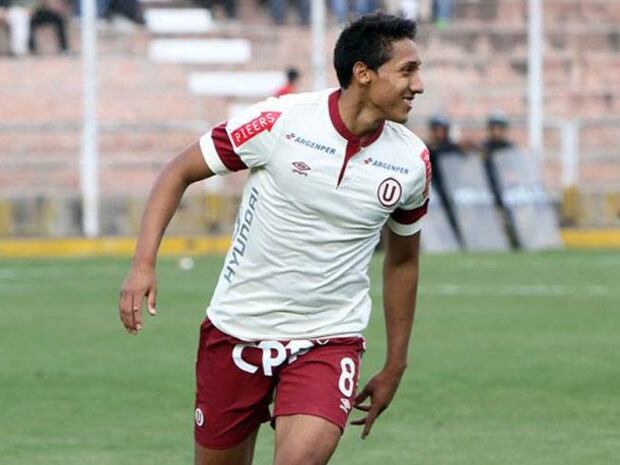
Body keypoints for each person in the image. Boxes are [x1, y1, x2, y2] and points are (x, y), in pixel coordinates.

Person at [119, 12, 429, 465]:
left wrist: (396, 362)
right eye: (407, 70)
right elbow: (178, 171)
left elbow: (403, 261)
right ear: (363, 73)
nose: (418, 85)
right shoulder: (280, 121)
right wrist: (143, 264)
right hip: (237, 330)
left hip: (328, 338)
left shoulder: (412, 162)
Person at [481, 111, 520, 248]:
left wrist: (512, 178)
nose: (496, 131)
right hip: (487, 187)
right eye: (493, 128)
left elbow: (515, 169)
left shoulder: (509, 148)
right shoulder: (484, 148)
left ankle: (514, 240)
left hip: (506, 188)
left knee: (510, 217)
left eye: (499, 128)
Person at [426, 114, 465, 246]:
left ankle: (458, 240)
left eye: (442, 130)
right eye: (436, 129)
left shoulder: (453, 148)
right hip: (433, 188)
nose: (439, 133)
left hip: (452, 187)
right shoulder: (428, 148)